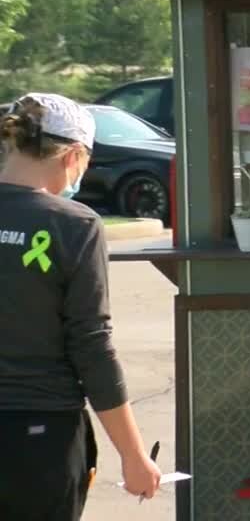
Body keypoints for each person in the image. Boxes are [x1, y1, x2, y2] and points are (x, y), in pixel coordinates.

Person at [0, 93, 163, 519]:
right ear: (73, 155)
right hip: (41, 438)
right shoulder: (73, 225)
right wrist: (133, 455)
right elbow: (91, 346)